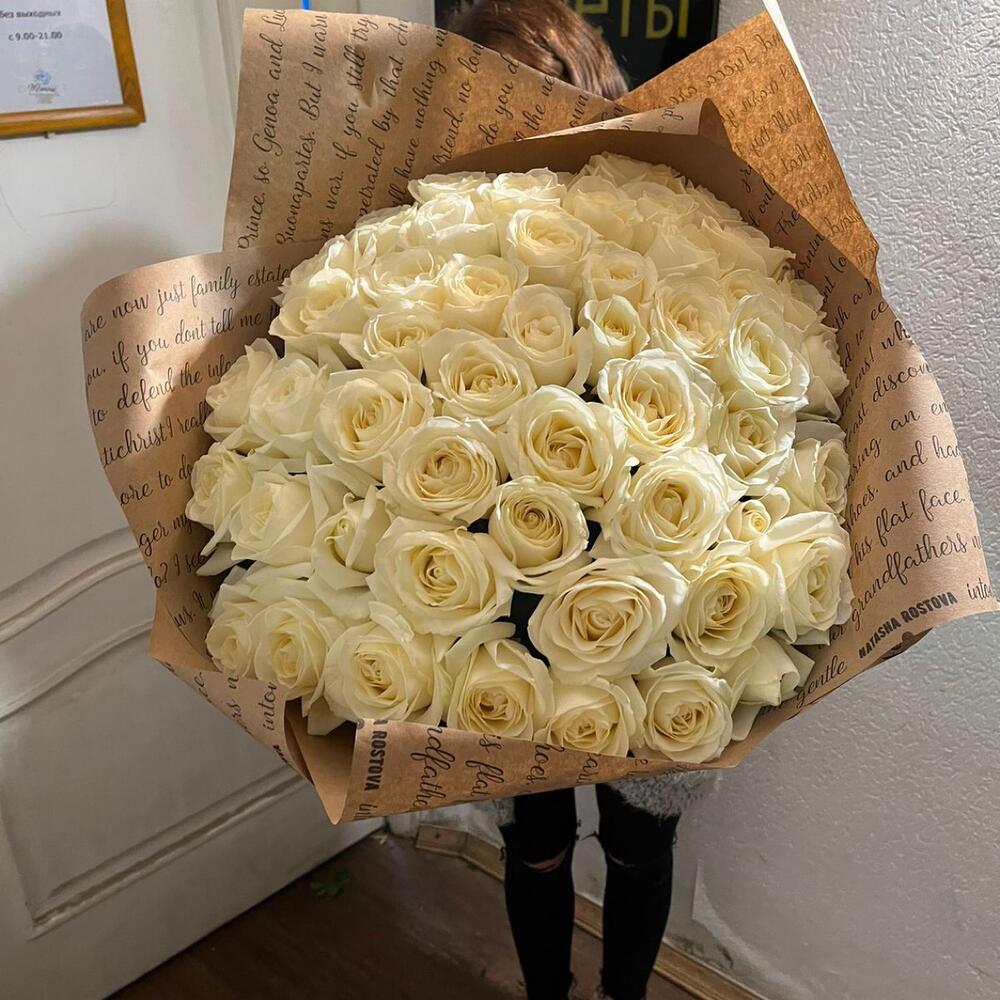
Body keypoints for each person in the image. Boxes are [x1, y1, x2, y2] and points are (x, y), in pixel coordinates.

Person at [448, 4, 716, 998]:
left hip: (644, 597)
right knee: (535, 838)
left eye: (535, 107)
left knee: (641, 839)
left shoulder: (670, 234)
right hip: (502, 594)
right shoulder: (436, 249)